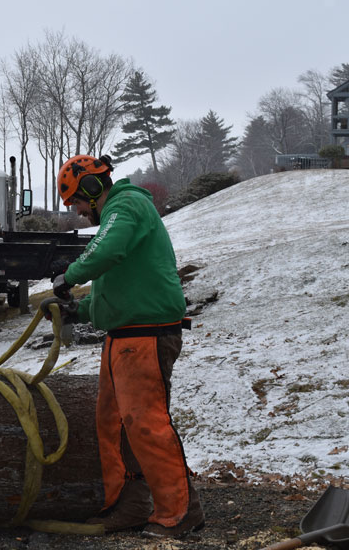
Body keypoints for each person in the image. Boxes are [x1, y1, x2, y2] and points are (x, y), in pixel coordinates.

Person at [53, 154, 204, 539]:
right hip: (124, 335)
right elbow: (115, 286)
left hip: (147, 334)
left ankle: (180, 513)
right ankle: (131, 505)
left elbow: (107, 250)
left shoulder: (127, 205)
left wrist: (67, 277)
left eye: (77, 202)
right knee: (116, 425)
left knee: (146, 424)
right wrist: (80, 310)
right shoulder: (118, 218)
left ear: (91, 186)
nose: (79, 211)